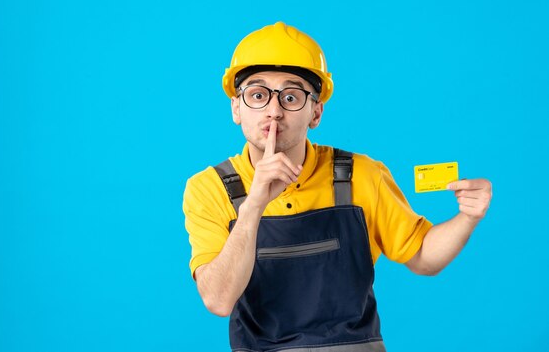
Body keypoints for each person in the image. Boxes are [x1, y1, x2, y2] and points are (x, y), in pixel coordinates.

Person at [182, 22, 492, 352]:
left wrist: (467, 218)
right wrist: (254, 204)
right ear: (236, 108)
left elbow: (423, 258)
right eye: (258, 95)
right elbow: (218, 300)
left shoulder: (362, 175)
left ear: (316, 111)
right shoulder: (210, 188)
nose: (274, 111)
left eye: (291, 96)